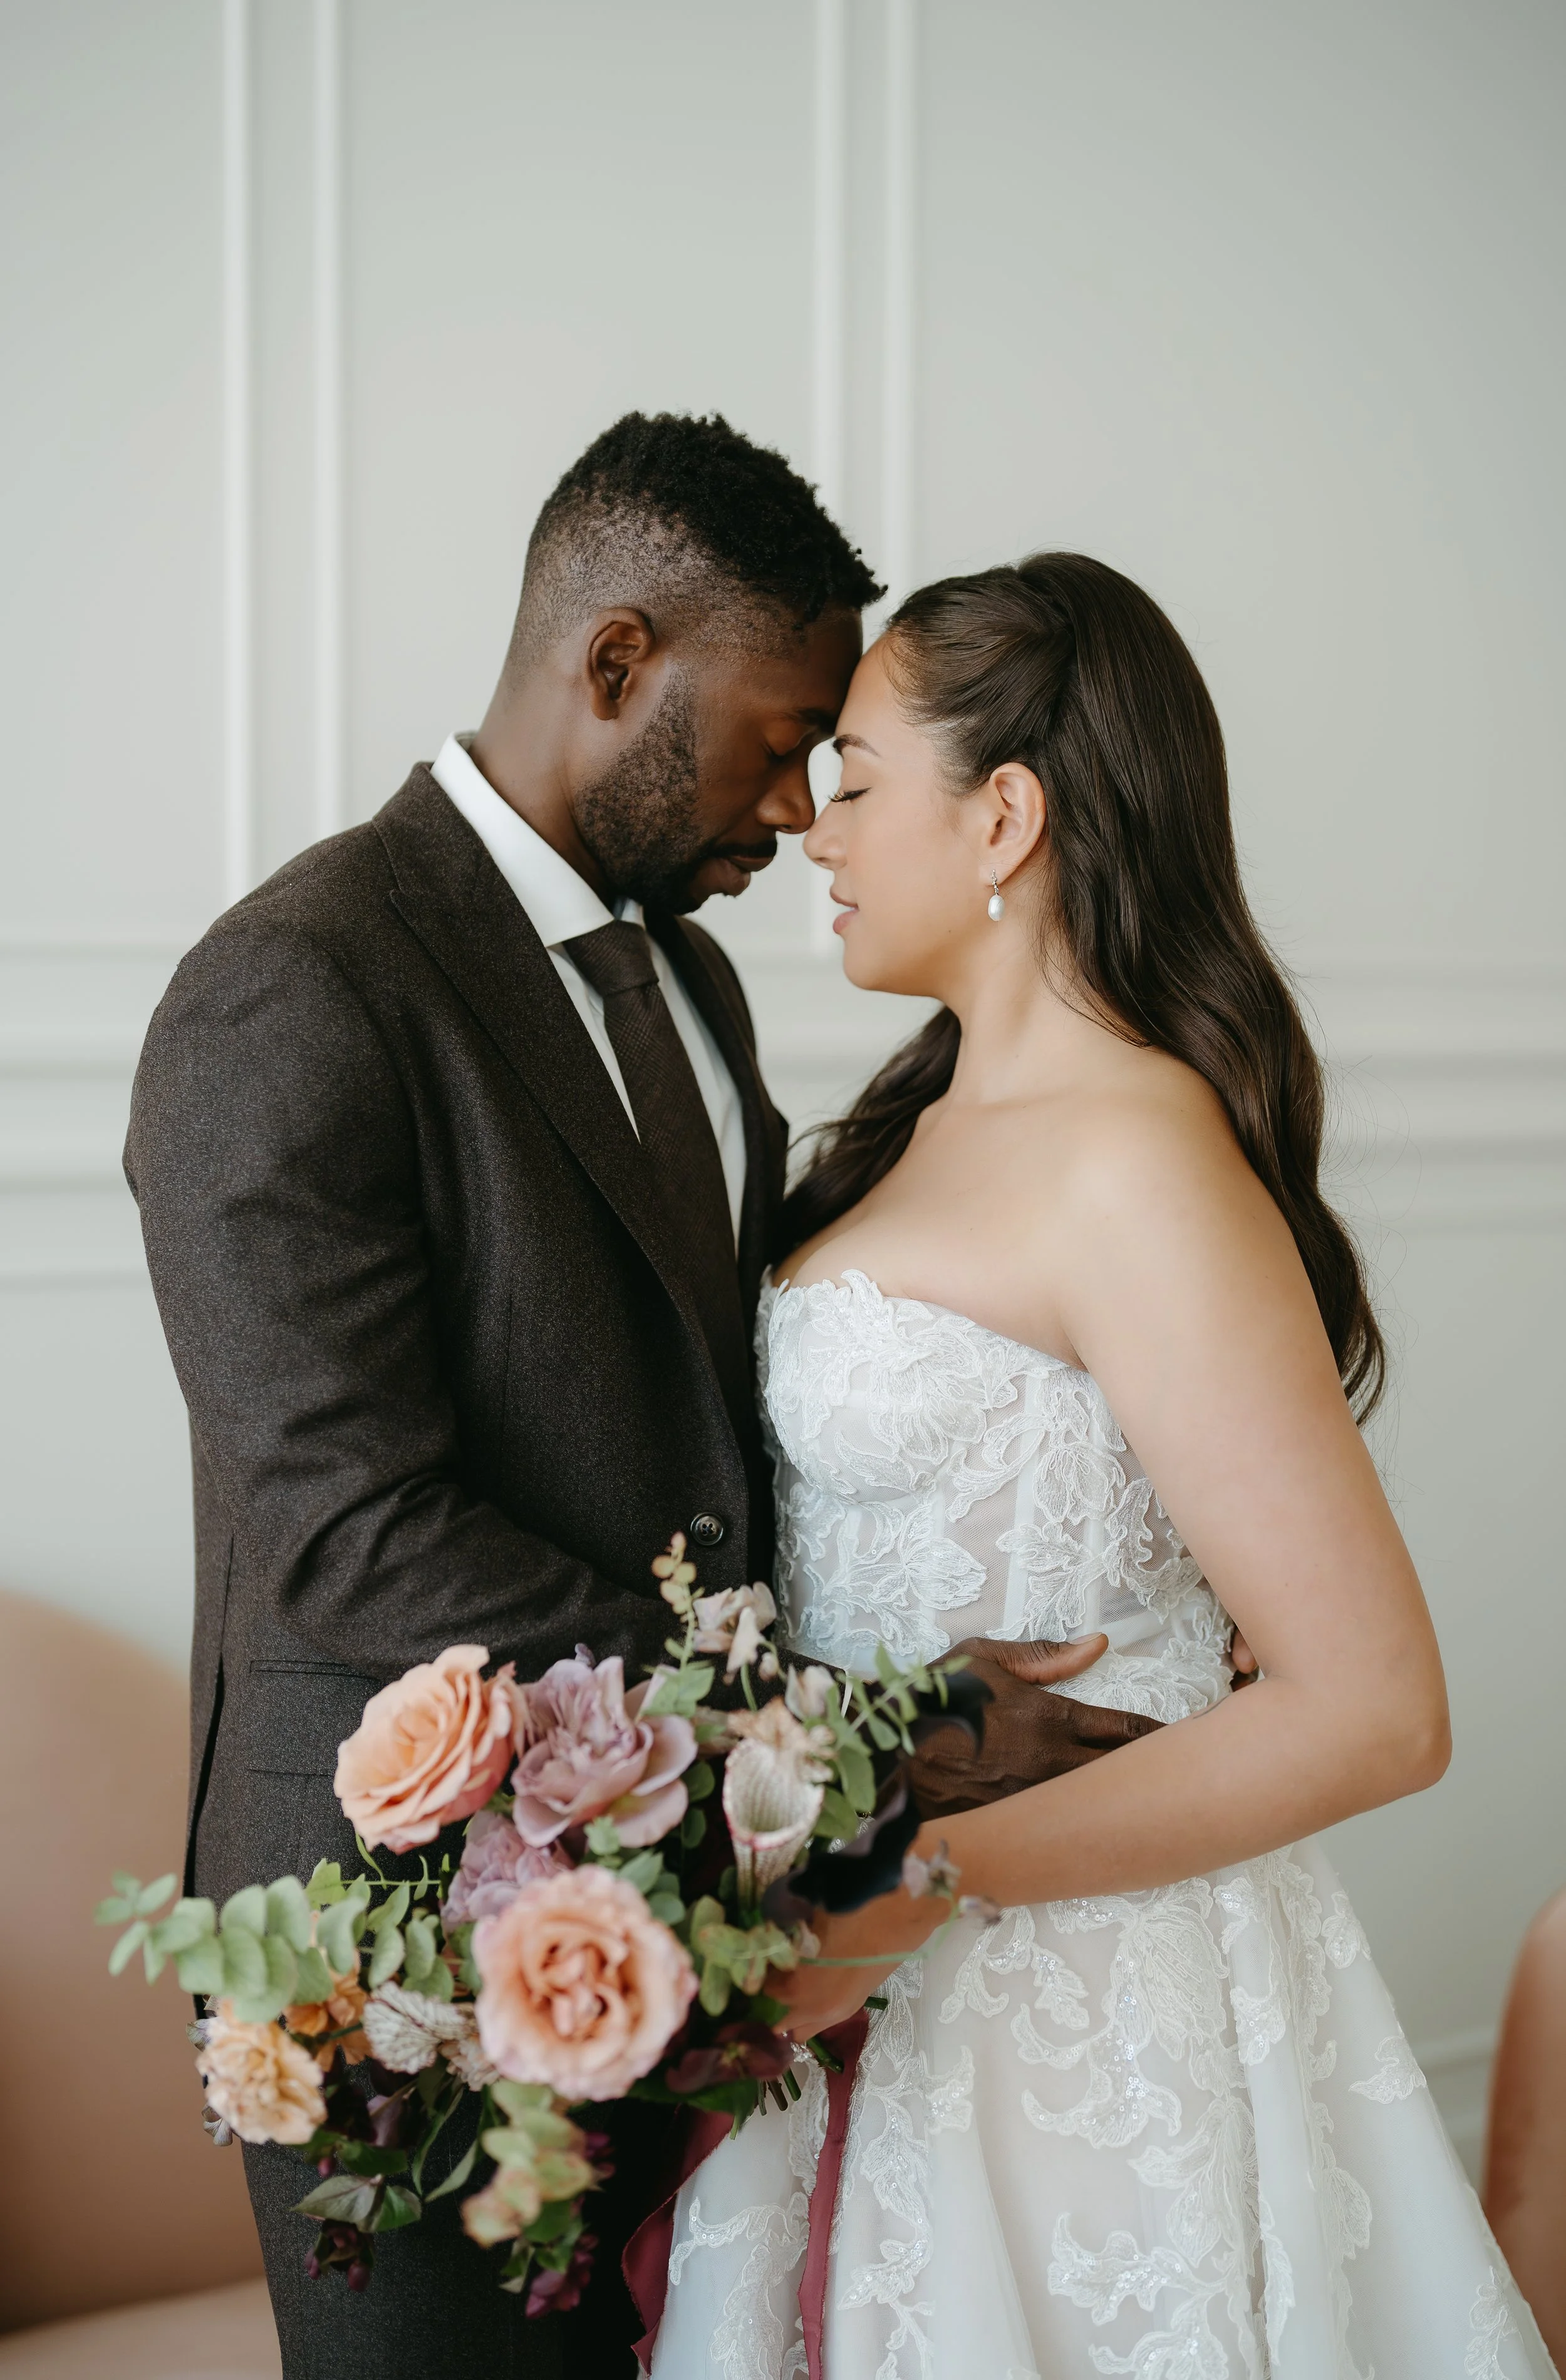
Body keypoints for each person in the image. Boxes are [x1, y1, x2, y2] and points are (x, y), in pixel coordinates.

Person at [123, 421, 1163, 2380]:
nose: (800, 808)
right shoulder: (295, 988)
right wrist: (852, 1734)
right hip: (398, 1959)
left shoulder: (694, 976)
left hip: (722, 1914)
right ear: (615, 665)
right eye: (779, 740)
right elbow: (350, 1543)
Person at [653, 554, 1556, 2377]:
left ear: (1004, 812)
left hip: (1079, 2021)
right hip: (863, 1984)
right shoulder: (905, 1131)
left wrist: (915, 1889)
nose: (813, 832)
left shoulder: (1134, 1155)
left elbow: (1374, 1708)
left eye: (853, 776)